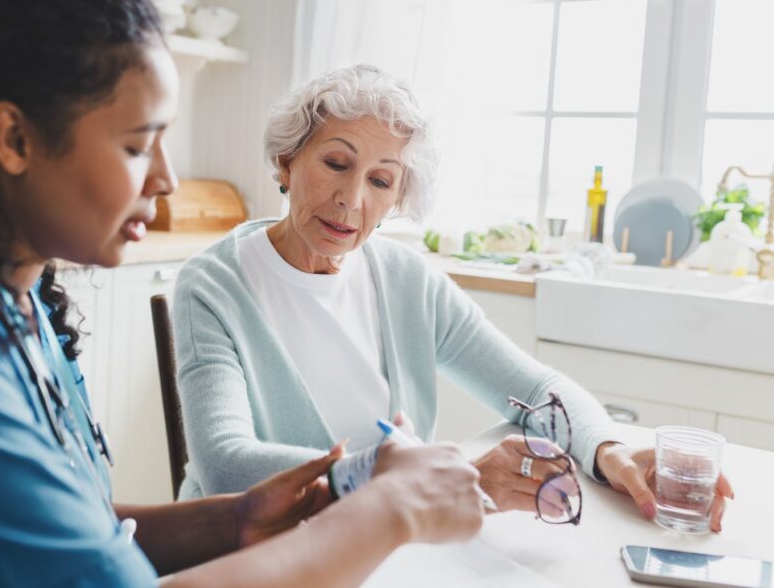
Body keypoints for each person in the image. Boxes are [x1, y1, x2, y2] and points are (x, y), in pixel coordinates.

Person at [0, 0, 488, 587]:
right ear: (13, 137)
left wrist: (231, 519)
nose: (165, 178)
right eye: (139, 144)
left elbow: (62, 531)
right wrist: (392, 510)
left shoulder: (10, 295)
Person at [172, 64, 734, 530]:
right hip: (259, 553)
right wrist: (439, 475)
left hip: (383, 545)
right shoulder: (215, 285)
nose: (351, 199)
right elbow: (226, 466)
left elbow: (535, 389)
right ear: (286, 163)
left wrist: (608, 450)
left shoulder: (404, 280)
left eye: (381, 180)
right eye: (336, 164)